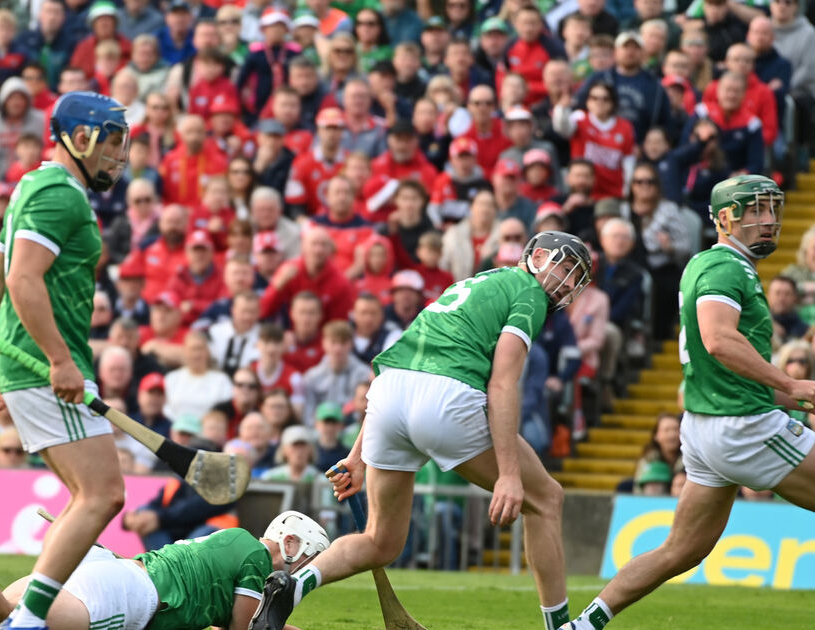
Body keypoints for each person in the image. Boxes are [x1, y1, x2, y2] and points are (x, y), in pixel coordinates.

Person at [251, 231, 593, 630]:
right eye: (566, 268)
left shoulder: (470, 284)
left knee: (380, 541)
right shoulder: (529, 292)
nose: (569, 283)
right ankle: (562, 627)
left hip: (388, 396)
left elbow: (403, 367)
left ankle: (293, 586)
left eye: (576, 278)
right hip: (446, 397)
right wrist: (509, 474)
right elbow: (501, 385)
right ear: (537, 257)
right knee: (546, 498)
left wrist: (357, 457)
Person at [557, 175, 815, 630]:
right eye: (756, 210)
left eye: (772, 209)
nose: (769, 220)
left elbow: (723, 364)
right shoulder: (726, 268)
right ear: (725, 219)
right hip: (741, 426)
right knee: (679, 548)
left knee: (681, 549)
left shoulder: (710, 264)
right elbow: (718, 340)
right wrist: (791, 386)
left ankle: (582, 625)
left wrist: (792, 395)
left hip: (706, 424)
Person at [0, 92, 130, 630]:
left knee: (86, 497)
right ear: (80, 138)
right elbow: (21, 279)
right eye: (111, 143)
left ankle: (27, 615)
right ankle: (27, 620)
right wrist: (59, 361)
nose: (119, 156)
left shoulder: (31, 185)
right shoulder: (59, 195)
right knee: (103, 494)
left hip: (26, 363)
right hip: (48, 366)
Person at [0, 512, 328, 630]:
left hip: (108, 566)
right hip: (127, 595)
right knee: (9, 623)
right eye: (308, 558)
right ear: (291, 544)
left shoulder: (227, 537)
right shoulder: (256, 558)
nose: (304, 569)